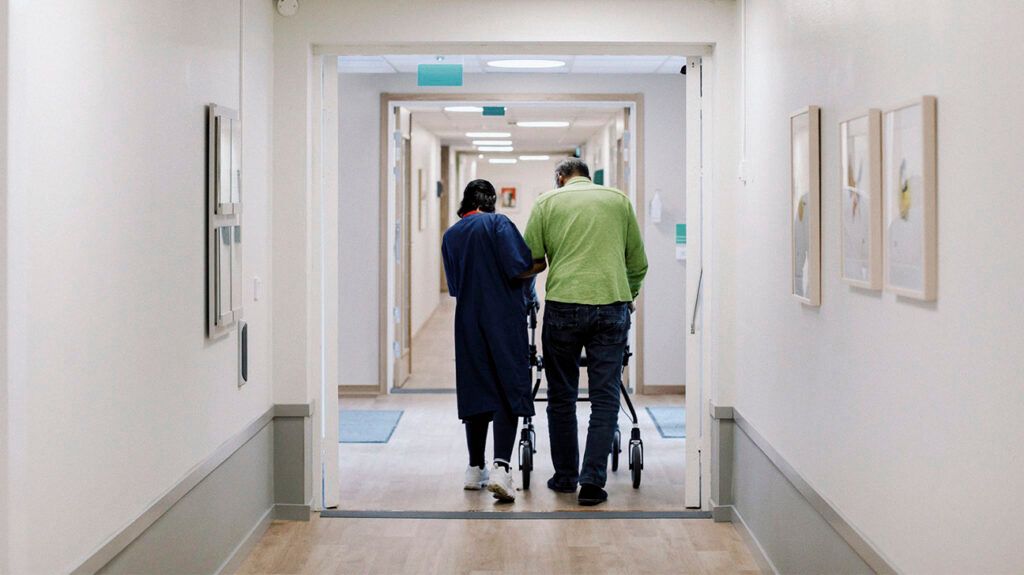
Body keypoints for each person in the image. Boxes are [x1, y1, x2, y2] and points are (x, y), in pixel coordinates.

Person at [522, 158, 648, 506]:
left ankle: (565, 478)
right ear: (588, 177)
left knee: (561, 396)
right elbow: (638, 264)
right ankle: (592, 481)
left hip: (563, 305)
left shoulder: (547, 202)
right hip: (611, 305)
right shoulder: (618, 200)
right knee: (605, 396)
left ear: (560, 178)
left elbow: (532, 260)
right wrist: (628, 296)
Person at [441, 179, 538, 502]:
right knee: (508, 387)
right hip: (503, 319)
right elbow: (520, 267)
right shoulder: (498, 223)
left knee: (476, 387)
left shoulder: (452, 235)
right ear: (492, 201)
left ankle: (473, 468)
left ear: (465, 202)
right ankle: (501, 468)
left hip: (468, 321)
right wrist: (541, 262)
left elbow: (455, 286)